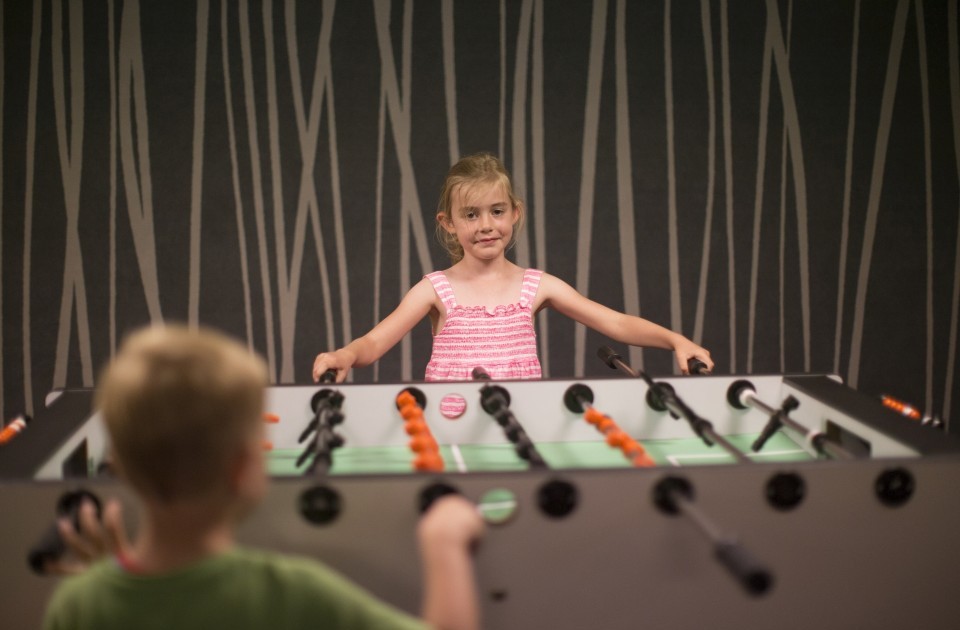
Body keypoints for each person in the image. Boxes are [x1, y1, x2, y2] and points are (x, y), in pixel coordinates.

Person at [44, 325, 485, 630]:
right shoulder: (290, 591)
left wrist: (103, 579)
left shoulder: (80, 602)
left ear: (118, 465)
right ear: (242, 470)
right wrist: (444, 542)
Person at [314, 152, 713, 383]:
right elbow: (375, 342)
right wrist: (345, 355)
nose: (486, 225)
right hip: (448, 425)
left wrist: (676, 340)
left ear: (514, 214)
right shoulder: (434, 289)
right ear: (449, 223)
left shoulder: (537, 285)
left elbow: (617, 324)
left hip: (520, 423)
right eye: (471, 214)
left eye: (497, 211)